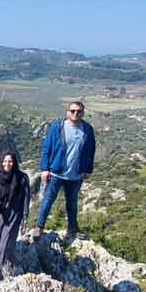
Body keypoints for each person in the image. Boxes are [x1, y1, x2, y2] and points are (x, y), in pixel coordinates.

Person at [33, 100, 96, 238]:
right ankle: (39, 226)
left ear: (83, 113)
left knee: (72, 203)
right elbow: (46, 148)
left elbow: (91, 150)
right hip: (57, 172)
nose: (75, 113)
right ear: (68, 112)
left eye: (79, 111)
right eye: (72, 111)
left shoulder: (87, 130)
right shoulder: (58, 127)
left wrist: (88, 169)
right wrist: (45, 168)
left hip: (76, 175)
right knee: (48, 200)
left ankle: (72, 229)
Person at [0, 152, 31, 276]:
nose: (7, 164)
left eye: (10, 161)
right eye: (5, 161)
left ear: (15, 162)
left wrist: (25, 217)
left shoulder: (22, 178)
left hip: (13, 214)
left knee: (6, 243)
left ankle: (4, 269)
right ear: (1, 162)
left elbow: (26, 198)